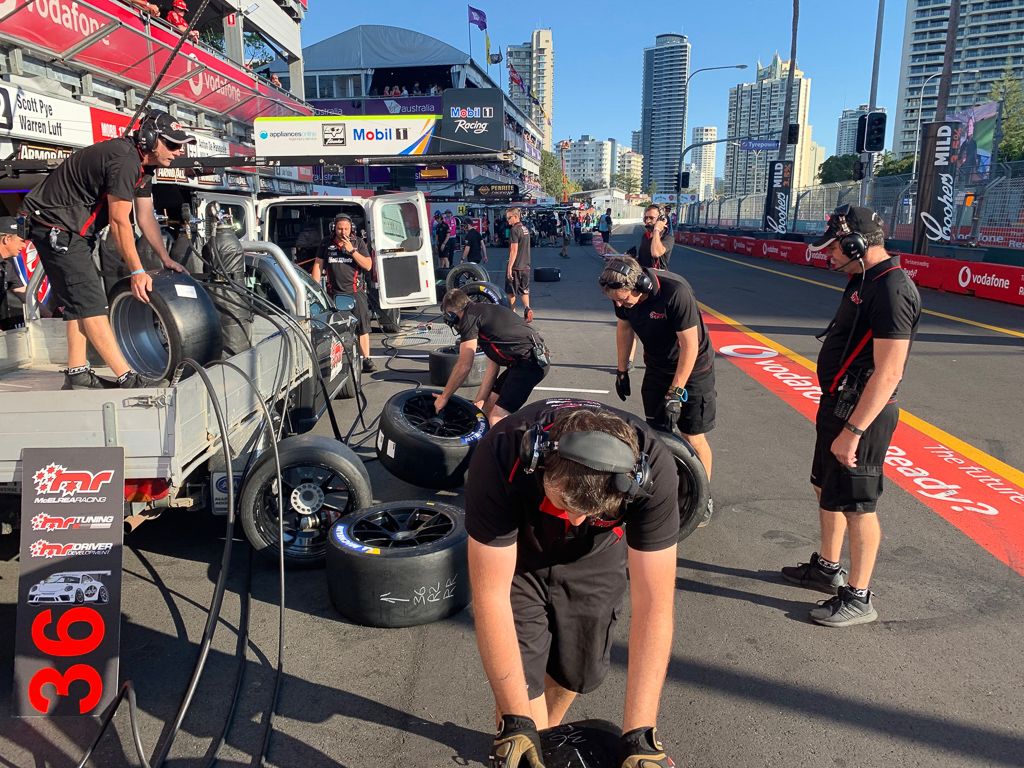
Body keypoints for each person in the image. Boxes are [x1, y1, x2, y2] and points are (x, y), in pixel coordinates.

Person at [465, 398, 679, 768]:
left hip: (596, 557)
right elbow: (490, 597)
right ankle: (525, 734)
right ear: (540, 462)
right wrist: (517, 721)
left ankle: (548, 730)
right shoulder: (501, 453)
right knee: (522, 708)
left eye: (589, 512)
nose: (576, 521)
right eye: (565, 503)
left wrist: (641, 736)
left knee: (575, 673)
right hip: (520, 558)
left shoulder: (656, 471)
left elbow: (654, 606)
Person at [781, 205, 921, 627]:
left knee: (859, 504)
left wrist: (853, 431)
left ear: (855, 244)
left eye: (832, 248)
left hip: (863, 416)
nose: (827, 255)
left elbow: (890, 370)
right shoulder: (863, 278)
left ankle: (859, 596)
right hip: (837, 403)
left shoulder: (894, 289)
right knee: (824, 487)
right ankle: (827, 567)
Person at [21, 109, 192, 389]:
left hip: (71, 229)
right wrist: (137, 270)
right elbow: (118, 222)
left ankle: (77, 374)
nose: (177, 152)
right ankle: (128, 378)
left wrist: (164, 257)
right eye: (172, 144)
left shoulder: (143, 167)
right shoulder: (125, 161)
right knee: (91, 303)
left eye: (180, 145)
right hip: (56, 226)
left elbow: (145, 216)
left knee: (79, 301)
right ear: (149, 139)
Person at [600, 256, 715, 520]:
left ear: (639, 286)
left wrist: (676, 393)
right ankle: (665, 489)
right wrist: (622, 370)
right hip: (657, 367)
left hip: (694, 368)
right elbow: (624, 329)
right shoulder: (621, 294)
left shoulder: (675, 293)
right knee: (656, 434)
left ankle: (702, 499)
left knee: (692, 436)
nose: (619, 305)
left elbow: (690, 346)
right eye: (614, 301)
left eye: (623, 300)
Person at [436, 288, 548, 425]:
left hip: (530, 363)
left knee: (496, 417)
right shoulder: (482, 313)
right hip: (524, 361)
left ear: (452, 314)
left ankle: (507, 445)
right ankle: (487, 443)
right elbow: (493, 365)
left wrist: (444, 397)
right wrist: (479, 401)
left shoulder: (469, 318)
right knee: (488, 407)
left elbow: (464, 365)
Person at [311, 214, 376, 373]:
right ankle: (338, 359)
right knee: (336, 328)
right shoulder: (326, 243)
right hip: (334, 294)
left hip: (355, 292)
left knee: (362, 327)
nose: (343, 232)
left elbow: (368, 265)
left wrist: (352, 251)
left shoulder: (358, 243)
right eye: (340, 228)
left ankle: (366, 359)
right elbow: (318, 266)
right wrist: (314, 289)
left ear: (351, 229)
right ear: (334, 228)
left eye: (346, 228)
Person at [505, 207, 534, 322]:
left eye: (509, 218)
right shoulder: (525, 228)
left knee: (510, 292)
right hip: (526, 265)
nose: (508, 220)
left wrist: (509, 268)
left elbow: (514, 250)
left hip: (516, 266)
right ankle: (527, 309)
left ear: (516, 216)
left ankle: (512, 314)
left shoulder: (514, 230)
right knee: (524, 290)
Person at [635, 204, 674, 270]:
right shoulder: (645, 236)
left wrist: (656, 229)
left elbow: (656, 253)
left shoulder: (668, 238)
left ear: (661, 219)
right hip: (644, 275)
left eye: (651, 218)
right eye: (646, 218)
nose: (647, 221)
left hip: (658, 277)